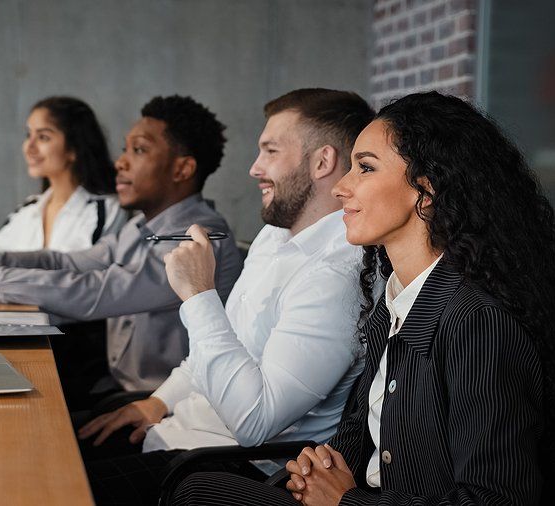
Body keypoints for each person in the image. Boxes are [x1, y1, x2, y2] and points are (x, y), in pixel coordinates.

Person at [170, 92, 555, 505]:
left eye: (365, 168)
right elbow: (362, 434)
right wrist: (318, 469)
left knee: (195, 492)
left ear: (425, 190)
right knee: (197, 489)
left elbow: (496, 500)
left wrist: (344, 501)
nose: (342, 188)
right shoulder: (393, 301)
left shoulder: (475, 321)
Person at [76, 89, 375, 506]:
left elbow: (256, 423)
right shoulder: (275, 236)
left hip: (220, 467)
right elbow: (215, 349)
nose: (255, 168)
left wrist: (199, 295)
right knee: (44, 444)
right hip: (176, 431)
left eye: (270, 151)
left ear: (322, 162)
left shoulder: (336, 276)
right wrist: (157, 402)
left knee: (42, 485)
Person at [0, 95, 243, 398]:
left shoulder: (198, 237)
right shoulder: (142, 225)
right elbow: (64, 262)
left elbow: (96, 292)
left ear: (182, 169)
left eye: (139, 150)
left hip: (162, 404)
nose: (120, 162)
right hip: (119, 388)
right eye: (124, 149)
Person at [0, 96, 126, 253]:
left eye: (43, 137)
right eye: (29, 135)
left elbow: (73, 272)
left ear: (74, 148)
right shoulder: (30, 209)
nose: (29, 146)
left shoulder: (107, 210)